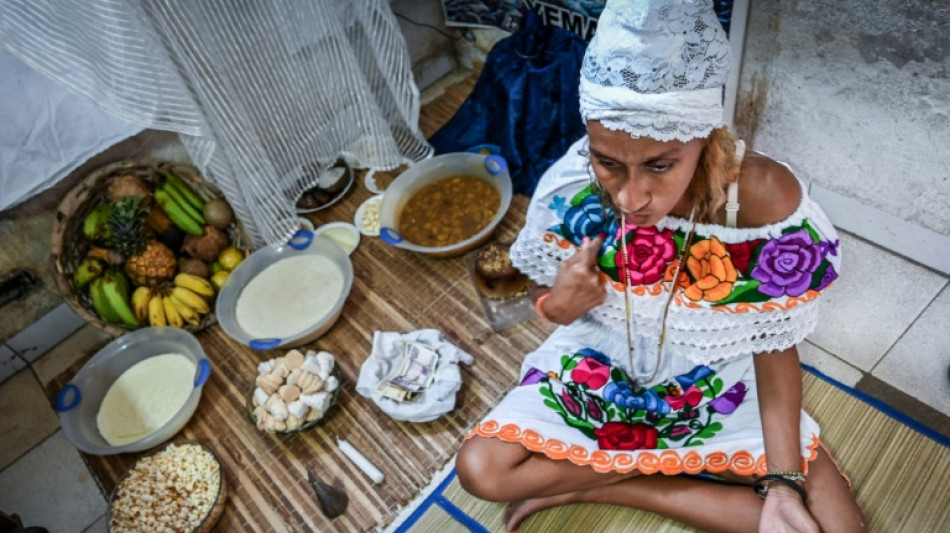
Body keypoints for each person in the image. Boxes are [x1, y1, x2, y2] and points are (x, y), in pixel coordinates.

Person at [455, 1, 867, 532]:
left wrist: (783, 482)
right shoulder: (571, 186)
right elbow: (550, 293)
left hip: (717, 371)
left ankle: (613, 480)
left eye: (660, 165)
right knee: (482, 470)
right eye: (608, 162)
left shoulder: (759, 198)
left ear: (705, 136)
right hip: (606, 366)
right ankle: (631, 473)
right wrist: (557, 305)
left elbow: (773, 344)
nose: (630, 197)